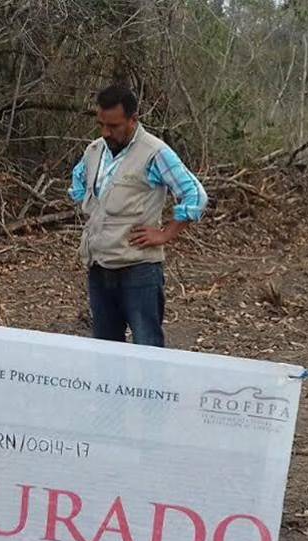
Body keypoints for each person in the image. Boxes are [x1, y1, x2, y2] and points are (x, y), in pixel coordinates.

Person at [69, 85, 208, 348]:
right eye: (101, 124)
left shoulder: (155, 152)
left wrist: (166, 233)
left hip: (139, 270)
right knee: (105, 350)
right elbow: (78, 182)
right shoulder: (95, 150)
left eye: (114, 126)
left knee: (147, 347)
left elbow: (195, 195)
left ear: (133, 120)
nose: (106, 132)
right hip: (99, 267)